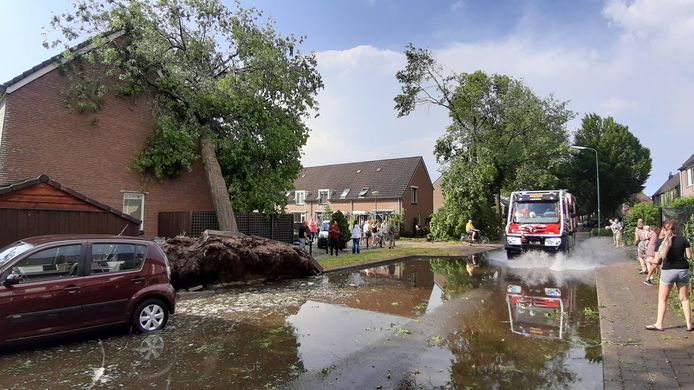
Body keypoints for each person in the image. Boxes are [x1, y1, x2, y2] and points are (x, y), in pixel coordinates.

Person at [645, 220, 693, 331]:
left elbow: (657, 261)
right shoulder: (683, 240)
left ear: (664, 229)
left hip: (668, 272)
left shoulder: (660, 242)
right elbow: (689, 256)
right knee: (685, 299)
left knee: (663, 299)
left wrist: (650, 259)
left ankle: (659, 324)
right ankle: (689, 324)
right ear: (676, 229)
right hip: (683, 271)